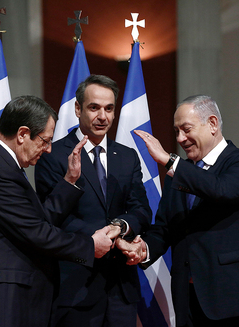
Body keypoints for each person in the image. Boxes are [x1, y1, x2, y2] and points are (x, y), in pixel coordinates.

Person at [0, 95, 117, 327]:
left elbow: (35, 222)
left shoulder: (3, 166)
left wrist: (69, 181)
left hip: (6, 297)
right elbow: (37, 233)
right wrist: (90, 246)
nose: (48, 149)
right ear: (22, 134)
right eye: (45, 140)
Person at [116, 95, 239, 327]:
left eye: (186, 129)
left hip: (238, 302)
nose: (180, 138)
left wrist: (168, 161)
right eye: (176, 131)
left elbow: (221, 190)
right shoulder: (178, 175)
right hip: (189, 303)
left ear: (212, 124)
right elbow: (164, 227)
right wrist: (143, 249)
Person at [35, 75, 152, 327]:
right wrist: (113, 240)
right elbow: (55, 218)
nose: (103, 116)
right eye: (94, 107)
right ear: (78, 109)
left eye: (109, 108)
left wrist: (120, 227)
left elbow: (141, 209)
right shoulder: (53, 155)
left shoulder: (127, 157)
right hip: (76, 287)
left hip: (121, 289)